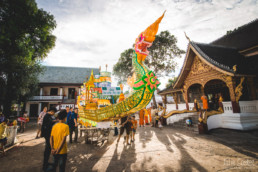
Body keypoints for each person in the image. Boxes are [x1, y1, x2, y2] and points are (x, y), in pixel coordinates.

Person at [41, 107, 57, 171]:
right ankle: (45, 166)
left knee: (48, 149)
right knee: (48, 149)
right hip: (47, 134)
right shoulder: (47, 116)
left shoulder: (48, 116)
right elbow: (48, 124)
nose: (54, 114)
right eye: (53, 113)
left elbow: (50, 122)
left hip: (47, 134)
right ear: (51, 111)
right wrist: (54, 121)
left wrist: (54, 121)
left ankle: (46, 162)